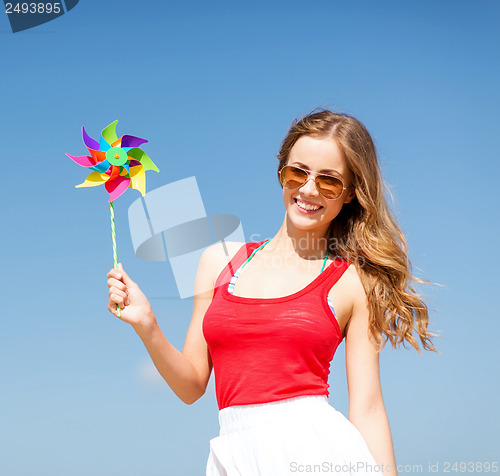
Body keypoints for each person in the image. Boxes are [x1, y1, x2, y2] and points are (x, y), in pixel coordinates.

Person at [107, 108, 438, 475]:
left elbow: (368, 407)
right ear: (281, 173)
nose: (308, 189)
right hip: (234, 455)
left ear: (350, 194)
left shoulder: (353, 282)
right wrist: (147, 324)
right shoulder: (218, 262)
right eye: (298, 172)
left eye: (329, 181)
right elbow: (191, 387)